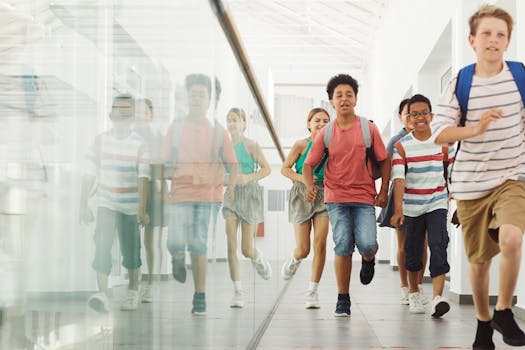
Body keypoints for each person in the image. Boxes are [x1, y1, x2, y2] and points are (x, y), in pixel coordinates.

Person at [431, 5, 525, 349]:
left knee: (513, 238)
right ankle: (484, 322)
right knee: (480, 261)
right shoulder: (462, 81)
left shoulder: (519, 76)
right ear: (472, 40)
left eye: (501, 34)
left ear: (508, 41)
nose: (493, 40)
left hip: (512, 178)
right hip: (470, 184)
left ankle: (503, 310)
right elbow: (439, 134)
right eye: (486, 33)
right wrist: (477, 128)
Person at [302, 74, 390, 317]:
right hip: (336, 196)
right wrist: (310, 186)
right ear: (331, 101)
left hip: (363, 196)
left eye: (348, 94)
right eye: (339, 95)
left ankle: (369, 258)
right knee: (342, 244)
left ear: (355, 99)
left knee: (368, 243)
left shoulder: (368, 128)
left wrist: (384, 191)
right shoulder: (326, 133)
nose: (344, 99)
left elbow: (384, 161)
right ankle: (343, 298)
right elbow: (308, 165)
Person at [161, 73, 237, 315]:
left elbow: (232, 165)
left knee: (198, 244)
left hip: (207, 196)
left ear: (209, 101)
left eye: (202, 95)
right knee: (174, 241)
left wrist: (231, 190)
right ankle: (176, 258)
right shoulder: (176, 127)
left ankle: (199, 296)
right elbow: (163, 162)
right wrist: (164, 183)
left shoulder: (218, 131)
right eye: (193, 94)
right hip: (180, 194)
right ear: (187, 98)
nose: (197, 99)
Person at [80, 93, 150, 312]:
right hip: (106, 202)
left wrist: (142, 209)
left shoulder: (140, 144)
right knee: (102, 246)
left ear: (130, 117)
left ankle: (132, 291)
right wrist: (83, 205)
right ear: (111, 114)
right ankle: (103, 293)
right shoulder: (101, 140)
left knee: (131, 252)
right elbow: (89, 173)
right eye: (116, 110)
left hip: (130, 205)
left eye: (124, 111)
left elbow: (143, 177)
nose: (119, 114)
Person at [390, 94, 452, 317]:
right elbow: (399, 179)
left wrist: (458, 202)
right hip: (412, 206)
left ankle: (437, 297)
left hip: (437, 203)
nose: (420, 117)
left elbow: (453, 172)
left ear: (431, 115)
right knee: (413, 252)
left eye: (424, 113)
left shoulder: (443, 141)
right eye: (414, 114)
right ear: (407, 118)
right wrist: (398, 210)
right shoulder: (401, 146)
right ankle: (414, 292)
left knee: (439, 245)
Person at [379, 99, 429, 305]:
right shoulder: (396, 141)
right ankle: (404, 286)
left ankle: (417, 287)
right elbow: (387, 169)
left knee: (423, 244)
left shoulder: (428, 138)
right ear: (402, 117)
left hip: (425, 196)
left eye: (418, 113)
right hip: (402, 196)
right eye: (409, 114)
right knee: (404, 244)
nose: (413, 117)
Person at [280, 107, 330, 309]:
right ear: (308, 123)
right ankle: (294, 260)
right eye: (317, 120)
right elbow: (285, 169)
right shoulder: (301, 144)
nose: (321, 124)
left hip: (324, 194)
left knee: (320, 244)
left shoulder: (332, 146)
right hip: (301, 193)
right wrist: (305, 179)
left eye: (326, 121)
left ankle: (312, 291)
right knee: (304, 249)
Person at [223, 107, 272, 309]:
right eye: (229, 119)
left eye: (235, 119)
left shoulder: (251, 145)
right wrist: (230, 181)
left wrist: (247, 178)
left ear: (243, 123)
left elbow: (267, 169)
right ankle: (238, 292)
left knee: (245, 248)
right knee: (231, 247)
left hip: (250, 195)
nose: (231, 123)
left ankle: (257, 257)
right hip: (232, 197)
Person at [133, 98, 166, 303]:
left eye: (144, 112)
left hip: (154, 193)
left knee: (151, 242)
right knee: (136, 243)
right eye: (137, 112)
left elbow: (158, 171)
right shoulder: (129, 137)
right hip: (134, 191)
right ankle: (134, 285)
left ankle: (153, 283)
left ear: (150, 116)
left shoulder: (157, 139)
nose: (140, 116)